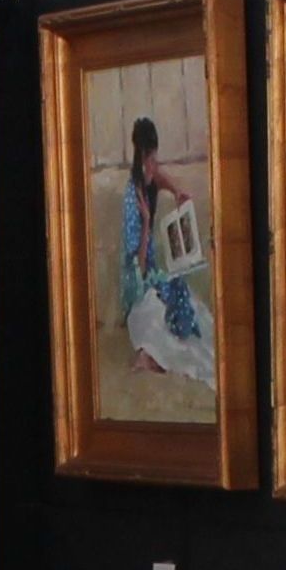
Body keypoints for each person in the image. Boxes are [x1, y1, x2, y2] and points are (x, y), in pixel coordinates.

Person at [119, 116, 215, 387]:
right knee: (154, 317)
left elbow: (158, 178)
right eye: (150, 160)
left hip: (152, 272)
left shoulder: (148, 176)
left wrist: (176, 191)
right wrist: (146, 222)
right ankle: (148, 357)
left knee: (190, 304)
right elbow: (137, 265)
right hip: (137, 283)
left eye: (155, 159)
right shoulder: (131, 199)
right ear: (141, 157)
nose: (154, 165)